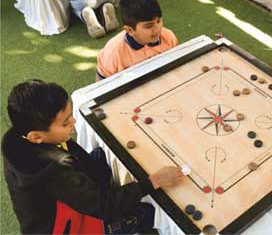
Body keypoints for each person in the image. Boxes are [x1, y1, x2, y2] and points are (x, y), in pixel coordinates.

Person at [2, 79, 183, 234]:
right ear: (37, 137)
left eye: (70, 116)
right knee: (147, 213)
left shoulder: (19, 135)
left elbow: (76, 162)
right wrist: (153, 181)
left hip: (64, 195)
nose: (73, 123)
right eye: (65, 123)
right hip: (63, 227)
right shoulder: (54, 170)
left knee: (99, 156)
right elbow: (102, 206)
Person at [96, 0, 178, 81]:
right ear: (130, 30)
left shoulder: (169, 37)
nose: (157, 29)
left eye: (158, 21)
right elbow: (101, 84)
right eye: (148, 26)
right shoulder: (112, 54)